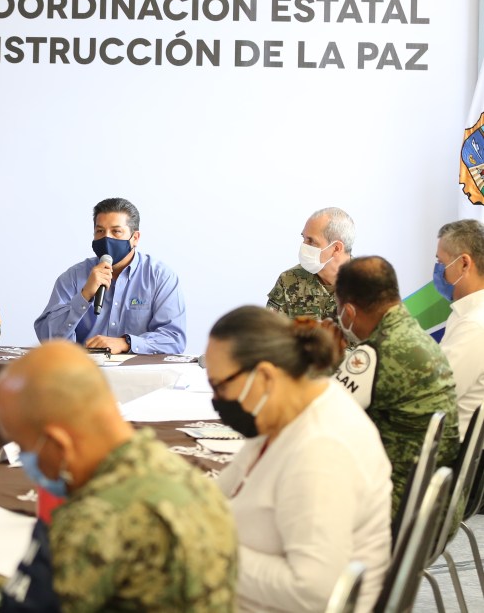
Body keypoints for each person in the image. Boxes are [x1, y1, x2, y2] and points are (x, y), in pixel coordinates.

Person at [0, 339, 237, 612]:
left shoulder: (92, 520)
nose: (25, 464)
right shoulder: (186, 478)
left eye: (24, 448)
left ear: (58, 444)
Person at [205, 306, 391, 613]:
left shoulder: (320, 448)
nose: (216, 400)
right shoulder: (285, 415)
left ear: (265, 376)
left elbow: (314, 590)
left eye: (220, 386)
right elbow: (223, 490)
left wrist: (207, 552)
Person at [334, 256, 460, 517]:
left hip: (398, 505)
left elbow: (319, 418)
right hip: (433, 501)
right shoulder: (414, 335)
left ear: (349, 311)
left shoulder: (376, 352)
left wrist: (320, 358)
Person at [34, 197, 186, 355]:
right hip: (84, 368)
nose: (106, 238)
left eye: (116, 231)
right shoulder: (73, 277)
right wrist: (84, 296)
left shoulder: (160, 277)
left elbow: (173, 339)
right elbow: (48, 338)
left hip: (138, 370)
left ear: (135, 238)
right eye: (100, 231)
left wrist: (126, 343)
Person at [434, 220, 484, 439]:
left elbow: (433, 393)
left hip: (449, 448)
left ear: (464, 263)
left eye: (440, 262)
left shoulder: (474, 326)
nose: (437, 270)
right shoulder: (464, 314)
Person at [266, 207, 355, 321]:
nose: (304, 246)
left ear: (336, 248)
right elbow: (269, 329)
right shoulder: (289, 280)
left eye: (311, 241)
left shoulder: (368, 284)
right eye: (304, 238)